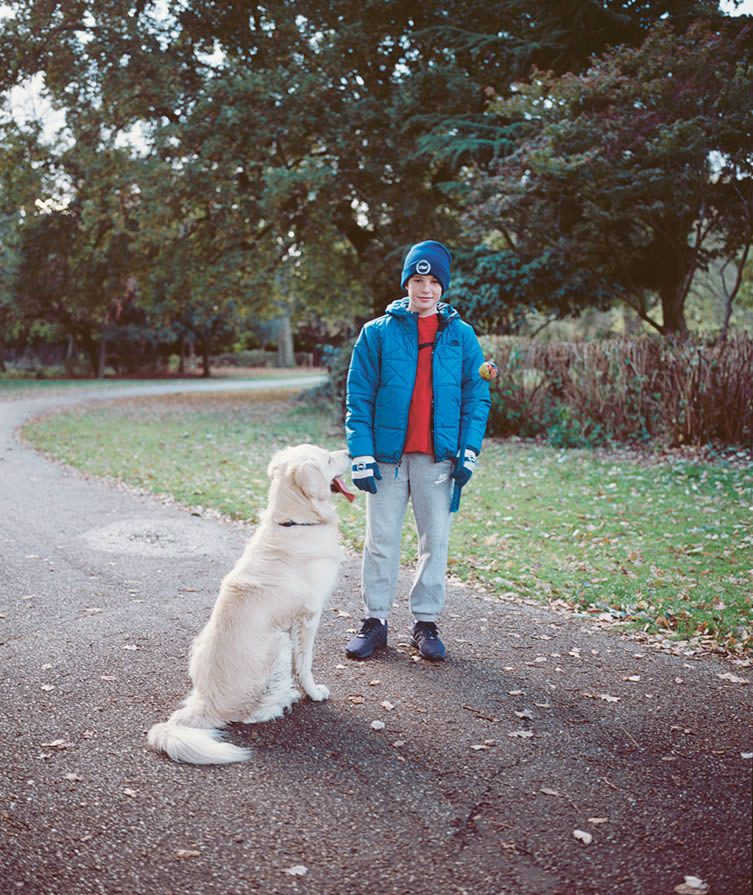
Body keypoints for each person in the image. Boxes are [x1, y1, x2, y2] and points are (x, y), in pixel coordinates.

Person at [344, 240, 491, 661]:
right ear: (406, 283)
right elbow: (359, 396)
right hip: (387, 458)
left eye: (432, 281)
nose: (424, 289)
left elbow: (477, 396)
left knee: (435, 541)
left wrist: (468, 449)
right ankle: (375, 621)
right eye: (417, 280)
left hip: (437, 458)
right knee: (381, 540)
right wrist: (361, 452)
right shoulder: (376, 333)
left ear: (442, 287)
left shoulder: (461, 336)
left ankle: (425, 623)